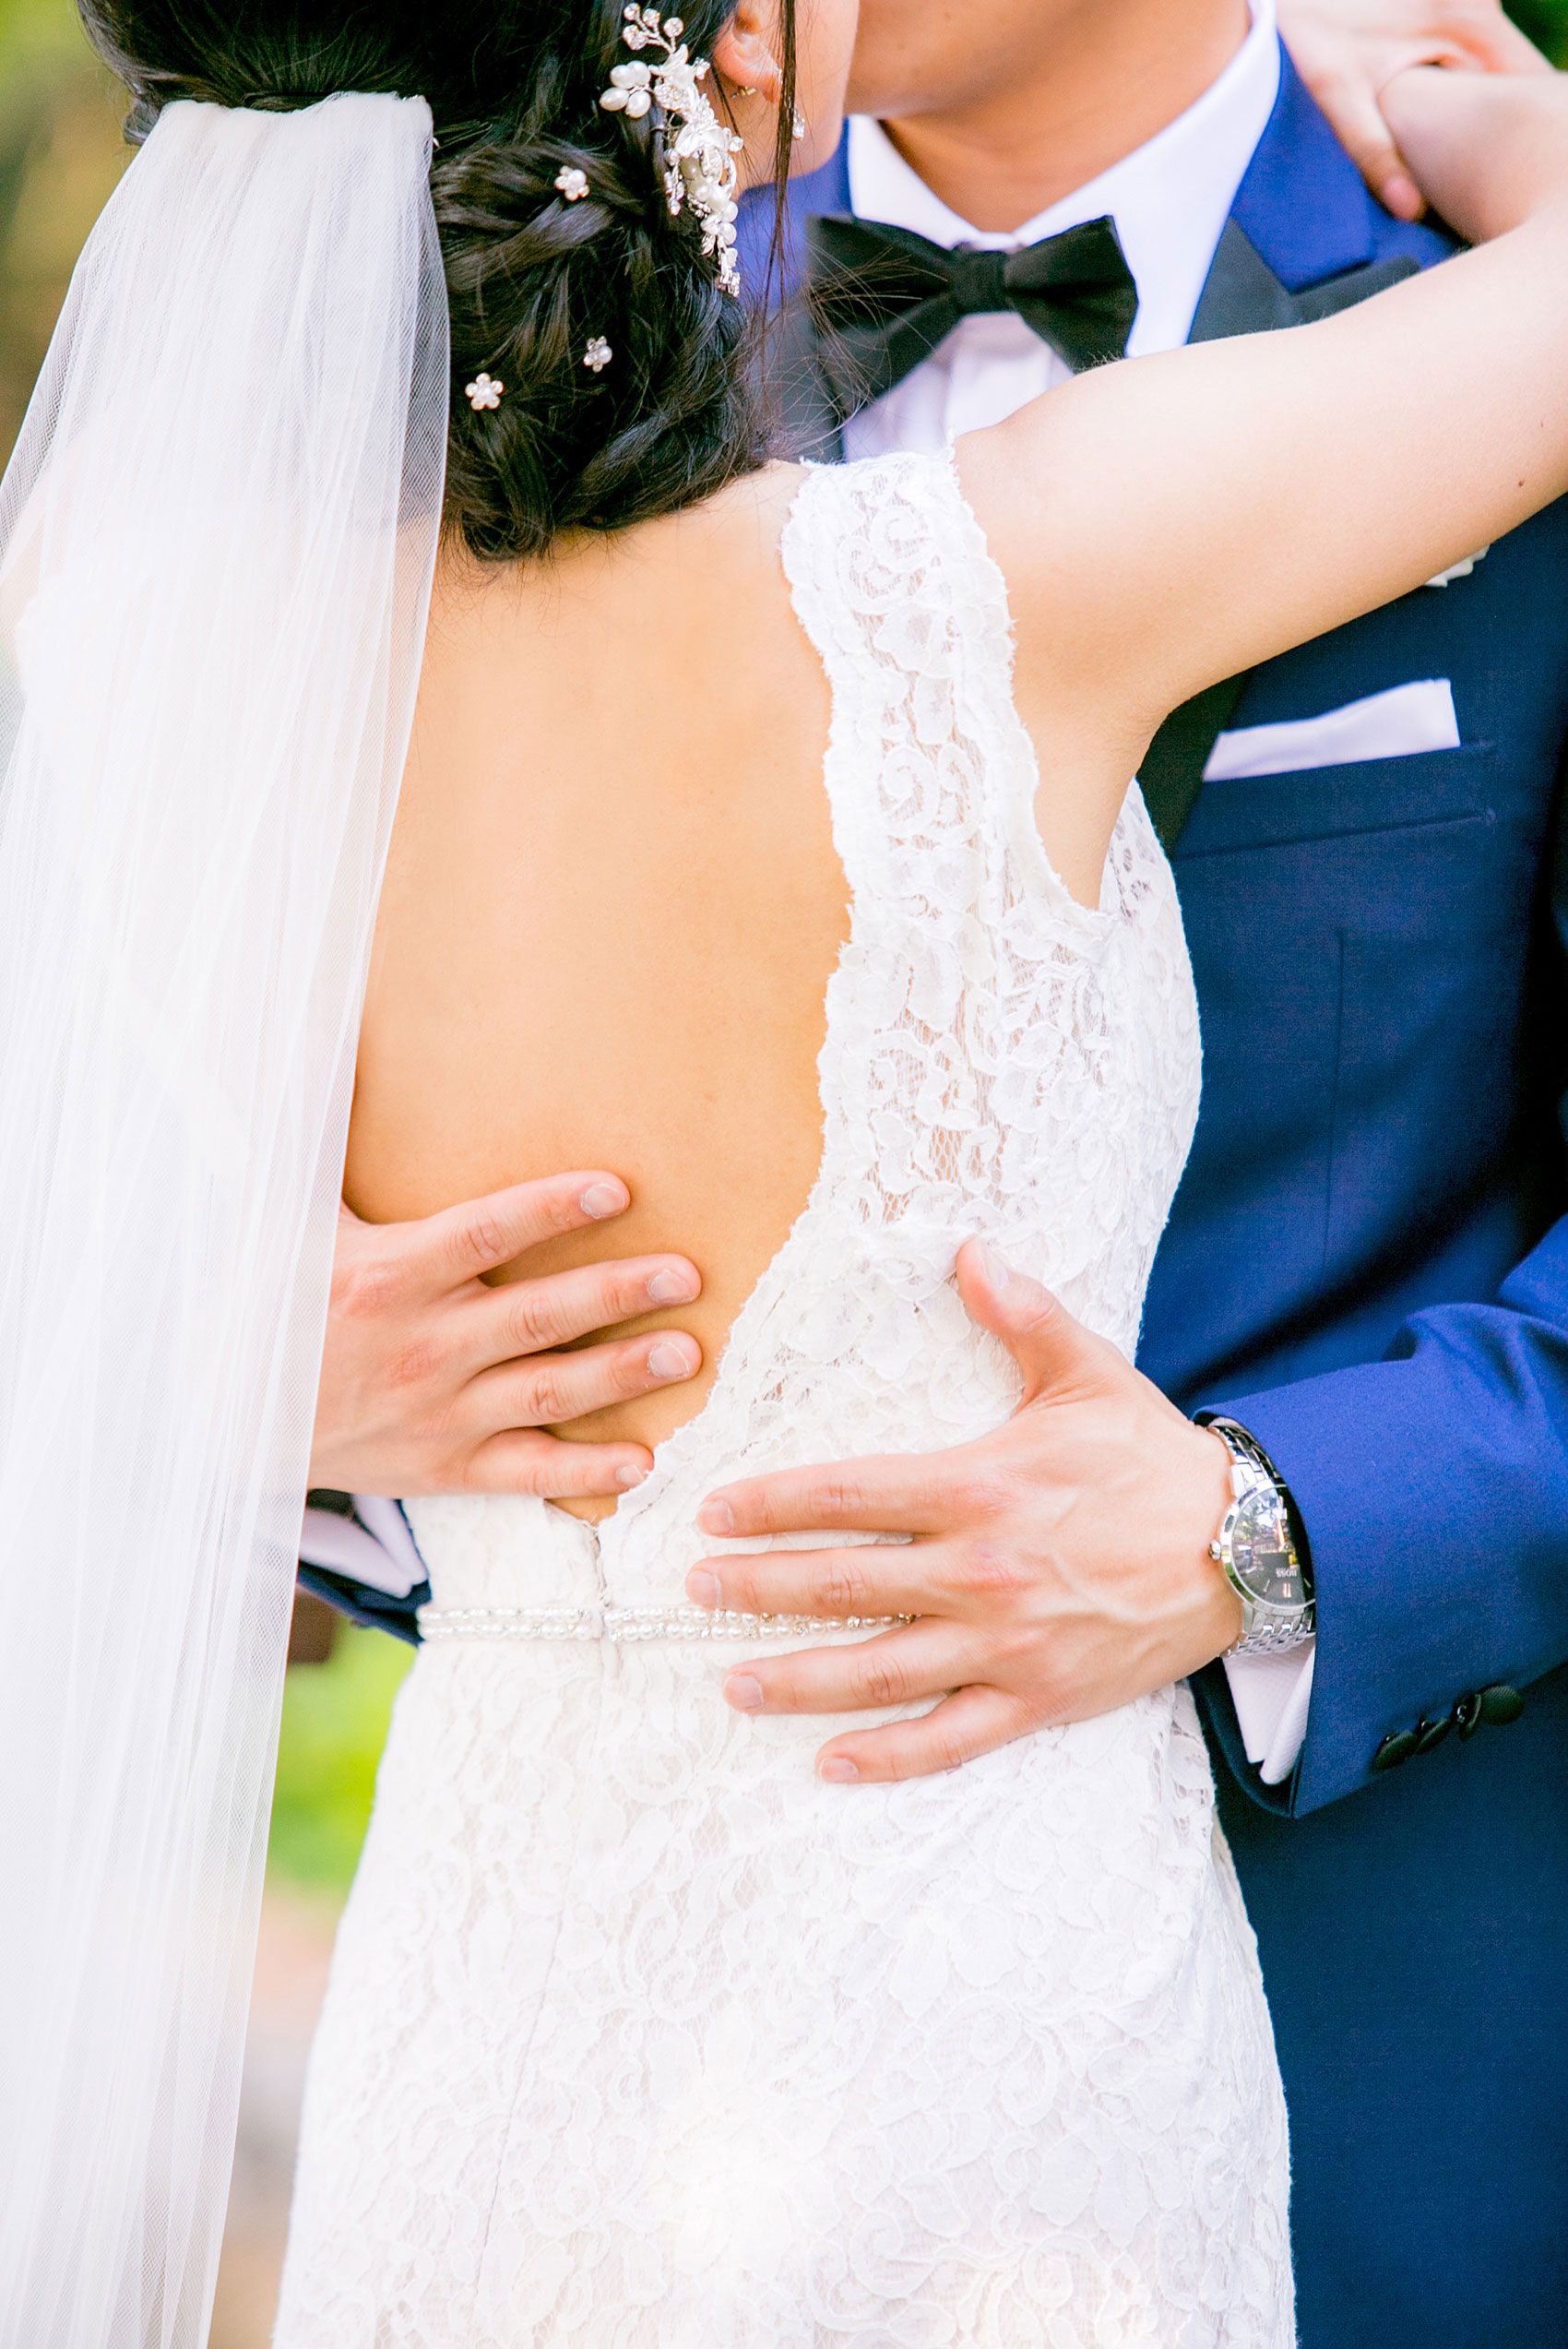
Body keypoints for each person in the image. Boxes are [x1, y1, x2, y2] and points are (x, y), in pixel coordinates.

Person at [9, 2, 1568, 2344]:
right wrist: (229, 1361)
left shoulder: (176, 536)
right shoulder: (496, 394)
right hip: (600, 2048)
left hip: (1359, 2060)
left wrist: (1277, 1522)